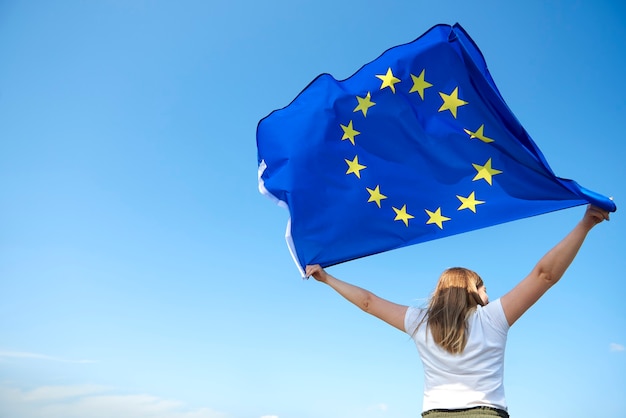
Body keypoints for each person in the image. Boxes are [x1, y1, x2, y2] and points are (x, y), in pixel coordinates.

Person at [305, 205, 610, 418]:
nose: (488, 295)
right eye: (484, 287)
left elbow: (368, 302)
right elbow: (545, 275)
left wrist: (328, 278)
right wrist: (585, 225)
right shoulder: (493, 318)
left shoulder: (419, 322)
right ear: (471, 290)